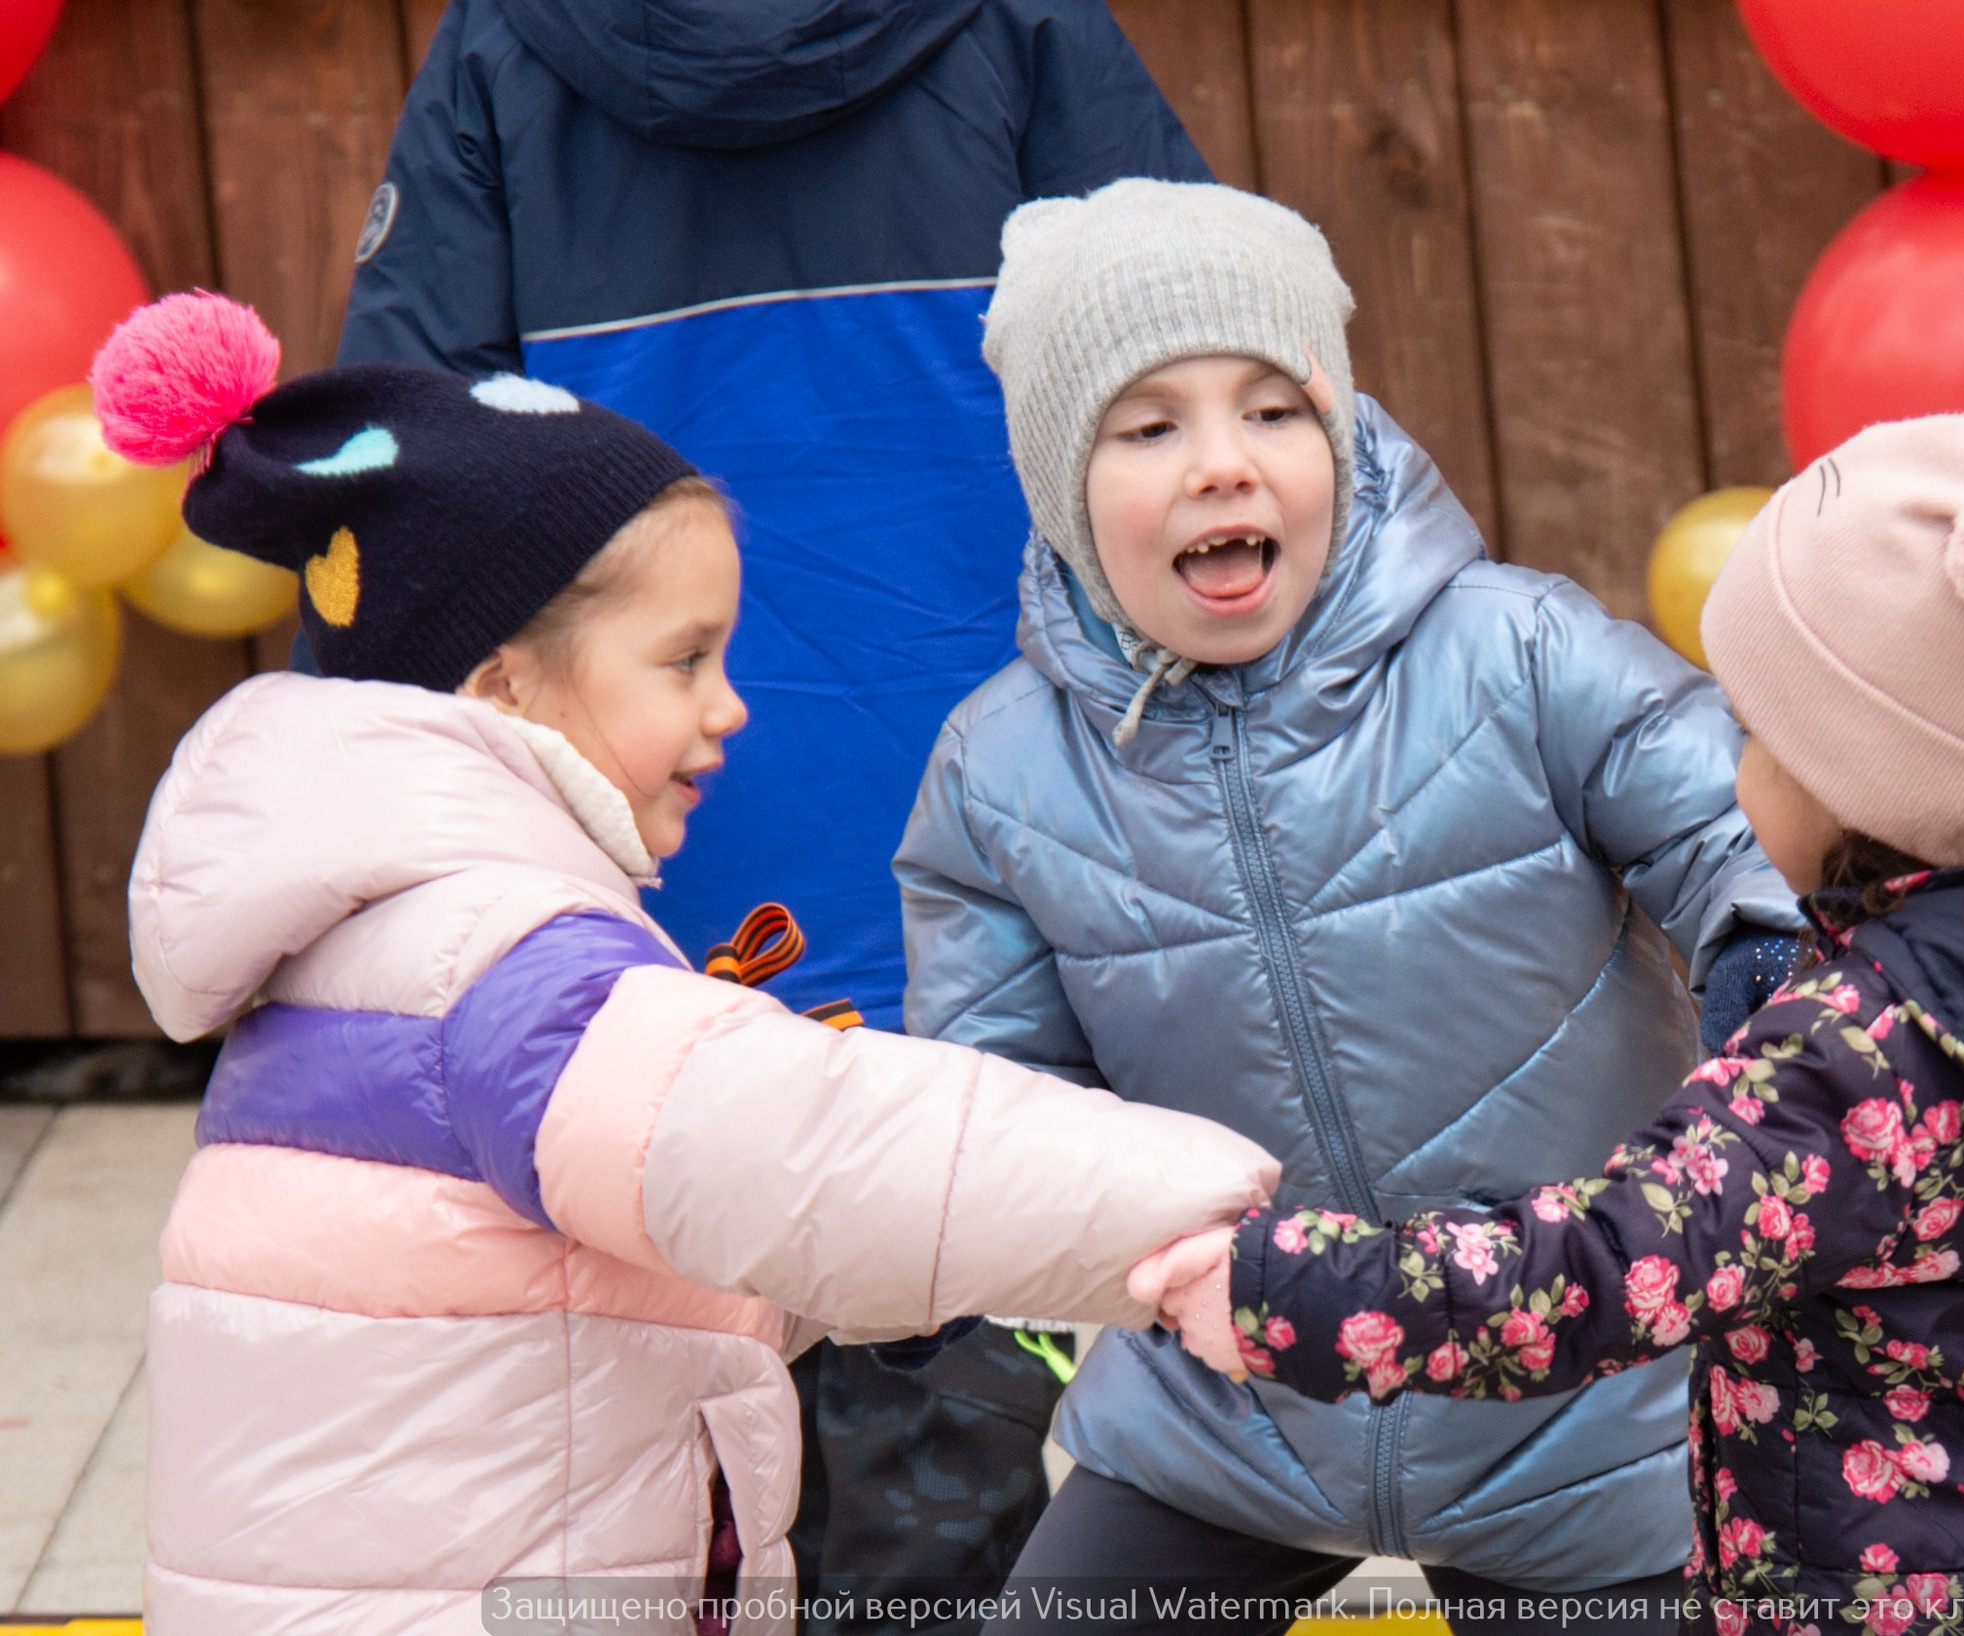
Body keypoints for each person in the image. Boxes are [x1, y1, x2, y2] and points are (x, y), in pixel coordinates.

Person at [95, 292, 1277, 1635]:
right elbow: (817, 1151)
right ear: (504, 691)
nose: (730, 707)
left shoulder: (373, 945)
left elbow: (602, 1281)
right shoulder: (501, 975)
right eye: (683, 660)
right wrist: (1216, 1227)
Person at [335, 2, 1220, 1598]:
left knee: (633, 1506)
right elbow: (1206, 377)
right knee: (933, 1502)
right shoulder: (1020, 28)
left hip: (624, 923)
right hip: (974, 879)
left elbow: (402, 494)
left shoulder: (501, 51)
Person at [1145, 398, 1964, 1636]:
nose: (1730, 759)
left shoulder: (1853, 1055)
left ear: (1851, 768)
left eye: (1753, 726)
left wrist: (1277, 1290)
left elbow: (1590, 1274)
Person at [893, 179, 1803, 1632]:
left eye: (1274, 409)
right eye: (1149, 427)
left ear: (1342, 429)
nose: (1222, 466)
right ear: (1064, 487)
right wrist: (1045, 1226)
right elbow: (995, 1091)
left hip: (1576, 1390)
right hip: (1227, 1413)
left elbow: (1717, 810)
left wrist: (1767, 956)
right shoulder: (1001, 772)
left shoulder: (1512, 650)